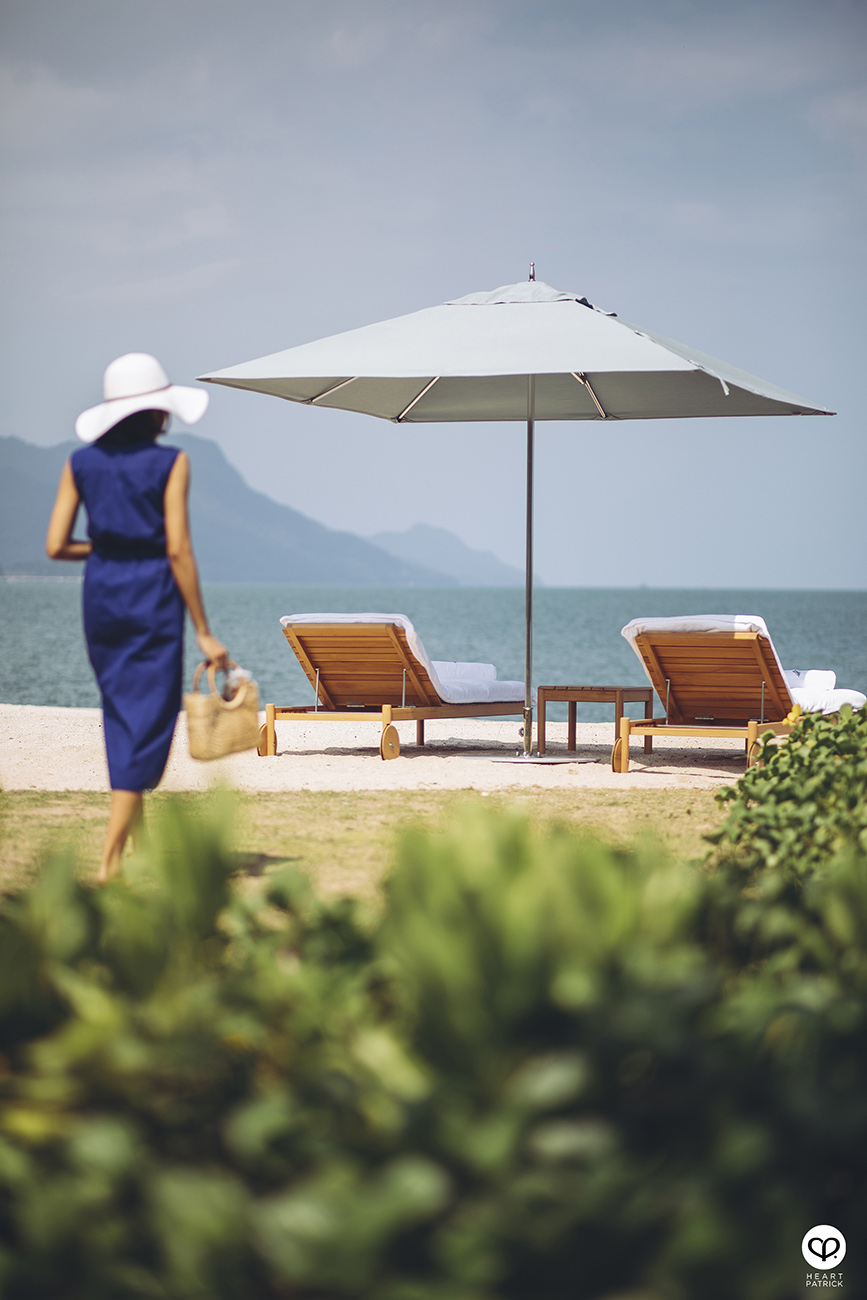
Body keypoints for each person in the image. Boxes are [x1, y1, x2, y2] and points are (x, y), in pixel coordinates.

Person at [46, 352, 228, 883]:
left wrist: (106, 549)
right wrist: (204, 630)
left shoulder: (80, 463)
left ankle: (140, 852)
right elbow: (178, 551)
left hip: (102, 596)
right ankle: (107, 864)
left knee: (123, 713)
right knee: (148, 720)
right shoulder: (172, 463)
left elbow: (56, 546)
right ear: (158, 413)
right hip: (151, 598)